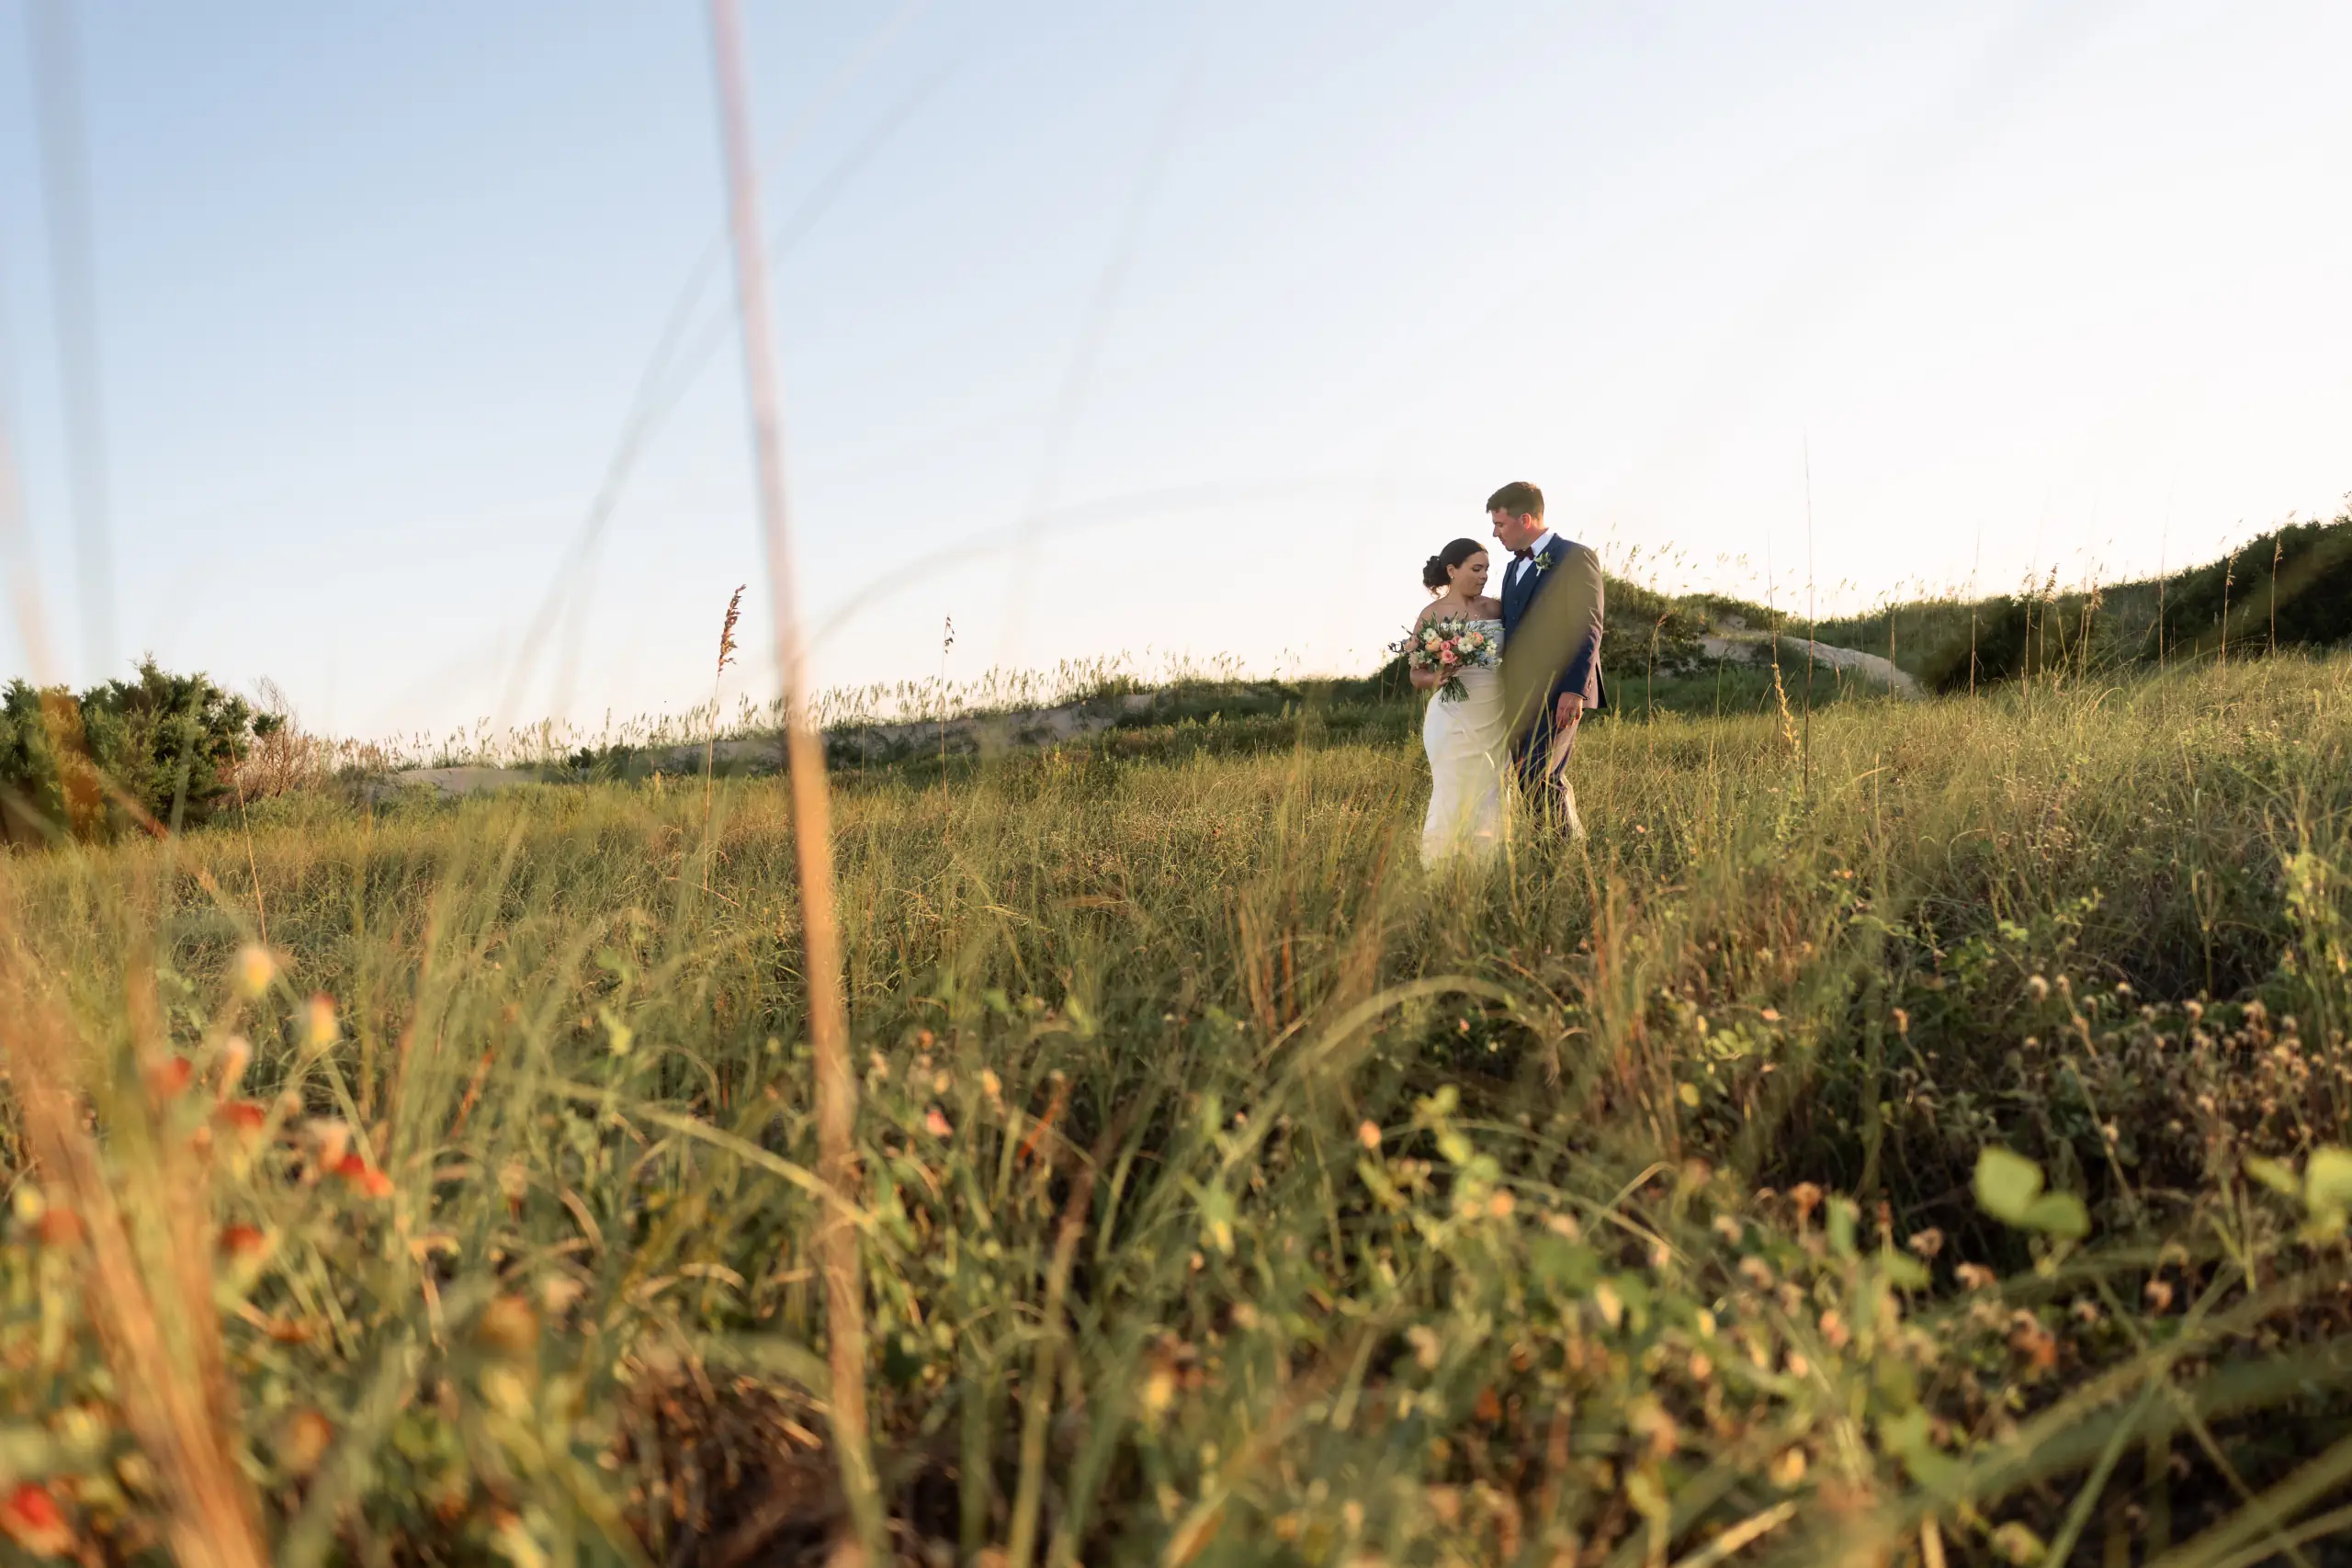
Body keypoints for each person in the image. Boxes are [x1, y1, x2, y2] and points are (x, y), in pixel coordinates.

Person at [1488, 481, 1605, 837]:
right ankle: (1551, 854)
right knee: (1526, 775)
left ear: (1525, 519)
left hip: (1559, 690)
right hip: (1517, 693)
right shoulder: (1511, 569)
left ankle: (1566, 855)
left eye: (1500, 524)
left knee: (1541, 775)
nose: (1495, 534)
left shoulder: (1575, 556)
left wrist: (1574, 690)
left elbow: (1587, 625)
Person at [1410, 537, 1509, 865]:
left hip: (1495, 712)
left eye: (1487, 570)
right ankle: (1439, 869)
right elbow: (1417, 675)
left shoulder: (1496, 608)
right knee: (1451, 790)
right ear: (1452, 570)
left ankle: (1486, 868)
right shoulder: (1432, 614)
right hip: (1452, 715)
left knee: (1492, 791)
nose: (1484, 577)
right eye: (1476, 569)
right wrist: (1439, 676)